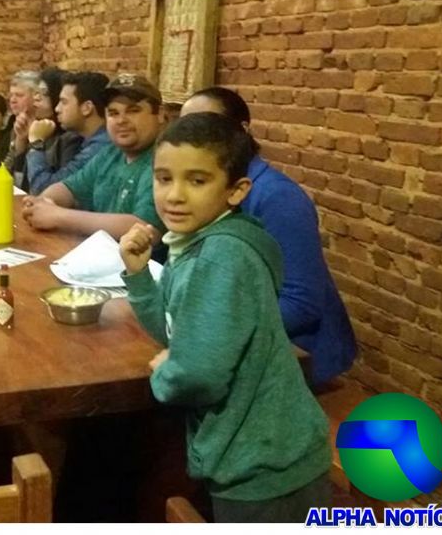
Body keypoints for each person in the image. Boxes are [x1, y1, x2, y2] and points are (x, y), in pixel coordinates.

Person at [118, 112, 331, 522]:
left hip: (265, 462)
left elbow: (200, 376)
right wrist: (139, 276)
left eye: (197, 181)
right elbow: (174, 329)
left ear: (236, 190)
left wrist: (167, 372)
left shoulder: (221, 257)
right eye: (164, 178)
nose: (175, 195)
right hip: (258, 449)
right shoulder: (196, 243)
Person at [180, 86, 356, 387]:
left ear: (243, 130)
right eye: (187, 127)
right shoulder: (206, 188)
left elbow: (301, 304)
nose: (195, 137)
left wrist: (215, 329)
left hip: (295, 358)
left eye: (209, 126)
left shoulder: (277, 197)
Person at [21, 73, 165, 241]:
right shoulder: (110, 153)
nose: (121, 120)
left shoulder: (165, 158)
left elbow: (144, 228)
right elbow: (68, 188)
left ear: (160, 114)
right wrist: (43, 202)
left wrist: (58, 216)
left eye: (133, 111)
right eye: (113, 113)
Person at [26, 71, 112, 195]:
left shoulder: (100, 146)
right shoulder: (83, 140)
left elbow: (44, 189)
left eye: (64, 102)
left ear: (87, 108)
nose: (57, 109)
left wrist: (36, 143)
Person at [3, 70, 41, 185]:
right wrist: (20, 140)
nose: (12, 100)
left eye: (19, 95)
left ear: (36, 97)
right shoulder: (16, 121)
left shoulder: (45, 126)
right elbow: (8, 167)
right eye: (11, 95)